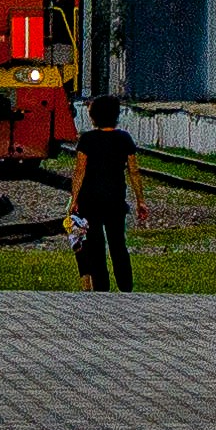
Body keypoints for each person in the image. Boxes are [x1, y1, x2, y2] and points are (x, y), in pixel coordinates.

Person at [69, 104, 139, 292]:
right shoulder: (124, 139)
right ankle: (126, 287)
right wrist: (140, 200)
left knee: (95, 246)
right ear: (116, 116)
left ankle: (101, 289)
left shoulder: (87, 139)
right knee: (118, 245)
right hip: (115, 201)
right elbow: (133, 171)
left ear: (93, 118)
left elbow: (80, 171)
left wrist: (74, 199)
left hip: (90, 201)